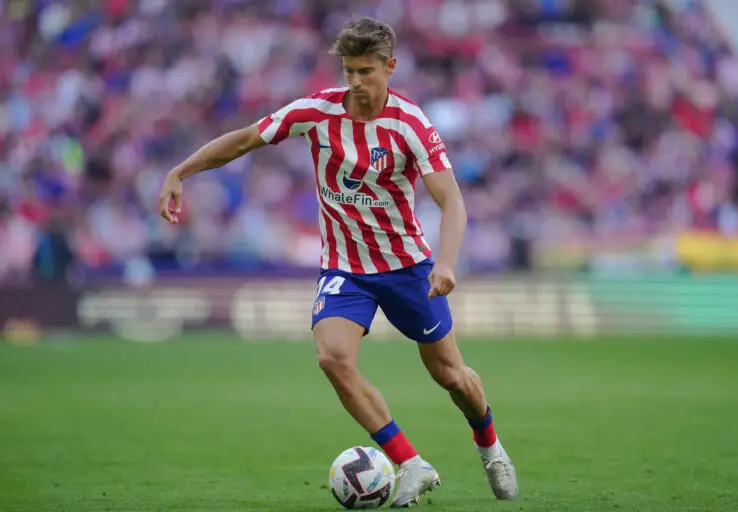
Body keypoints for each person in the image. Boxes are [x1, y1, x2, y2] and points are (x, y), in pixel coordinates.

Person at [158, 16, 518, 508]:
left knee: (451, 376)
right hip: (345, 269)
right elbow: (244, 139)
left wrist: (447, 263)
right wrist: (181, 172)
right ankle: (411, 463)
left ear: (390, 67)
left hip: (407, 267)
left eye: (366, 71)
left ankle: (490, 447)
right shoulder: (316, 112)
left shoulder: (411, 124)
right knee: (332, 358)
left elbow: (451, 201)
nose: (356, 81)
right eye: (349, 71)